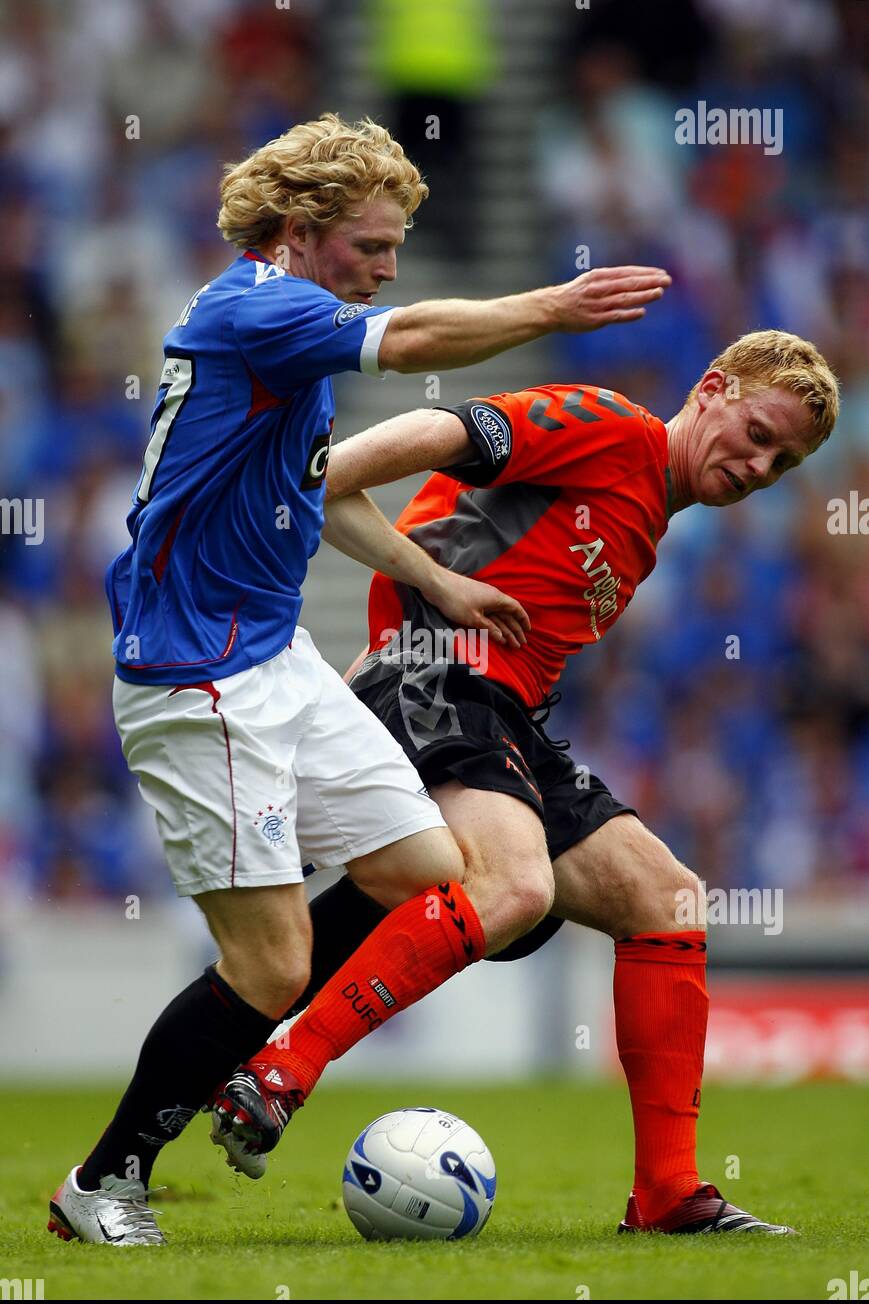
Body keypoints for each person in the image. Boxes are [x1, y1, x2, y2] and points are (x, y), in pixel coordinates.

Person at [48, 112, 670, 1246]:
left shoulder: (285, 334)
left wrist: (435, 575)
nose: (386, 269)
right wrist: (549, 308)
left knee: (443, 877)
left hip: (274, 652)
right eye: (371, 247)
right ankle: (107, 1178)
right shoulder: (257, 307)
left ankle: (271, 1029)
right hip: (198, 680)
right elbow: (422, 333)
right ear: (301, 229)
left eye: (392, 252)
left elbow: (310, 496)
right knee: (275, 956)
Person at [210, 329, 839, 1236]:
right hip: (436, 674)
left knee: (667, 898)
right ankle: (278, 1072)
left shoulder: (647, 528)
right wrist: (316, 472)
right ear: (711, 388)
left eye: (779, 461)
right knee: (514, 882)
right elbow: (445, 428)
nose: (758, 464)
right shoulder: (610, 428)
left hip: (500, 712)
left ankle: (666, 1192)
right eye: (756, 432)